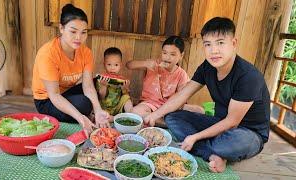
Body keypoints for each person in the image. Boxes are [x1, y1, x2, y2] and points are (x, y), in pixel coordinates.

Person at [144, 17, 270, 173]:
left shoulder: (248, 76)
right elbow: (183, 95)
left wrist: (195, 137)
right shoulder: (207, 67)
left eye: (220, 43)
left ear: (234, 43)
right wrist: (154, 115)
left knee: (229, 142)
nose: (214, 50)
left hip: (247, 133)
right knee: (173, 117)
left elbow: (232, 122)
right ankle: (212, 155)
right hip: (218, 122)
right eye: (208, 44)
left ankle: (209, 147)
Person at [32, 4, 110, 134]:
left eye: (83, 32)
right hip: (47, 100)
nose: (79, 37)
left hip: (66, 91)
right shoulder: (48, 54)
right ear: (61, 28)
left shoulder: (86, 52)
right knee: (84, 104)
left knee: (97, 82)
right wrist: (81, 118)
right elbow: (55, 95)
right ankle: (82, 114)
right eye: (73, 31)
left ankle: (94, 113)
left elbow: (88, 86)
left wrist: (98, 110)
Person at [126, 36, 203, 127]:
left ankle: (155, 120)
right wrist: (145, 63)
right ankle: (167, 123)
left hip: (170, 107)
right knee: (136, 111)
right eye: (164, 53)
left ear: (181, 56)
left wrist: (174, 107)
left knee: (200, 111)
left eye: (172, 54)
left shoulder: (181, 74)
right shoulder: (153, 65)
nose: (167, 57)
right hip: (149, 104)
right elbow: (129, 65)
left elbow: (182, 99)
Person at [95, 47, 133, 118]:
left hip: (118, 107)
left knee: (126, 97)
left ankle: (131, 114)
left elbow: (125, 94)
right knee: (97, 102)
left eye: (116, 65)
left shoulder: (122, 80)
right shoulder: (102, 79)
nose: (112, 68)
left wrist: (125, 88)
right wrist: (103, 86)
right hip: (104, 107)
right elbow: (101, 96)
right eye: (109, 64)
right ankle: (115, 118)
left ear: (120, 65)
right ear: (104, 64)